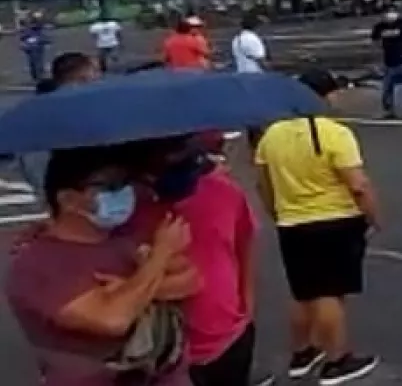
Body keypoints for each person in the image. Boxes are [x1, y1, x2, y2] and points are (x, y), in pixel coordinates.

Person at [7, 146, 197, 385]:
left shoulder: (129, 233)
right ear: (68, 199)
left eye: (126, 183)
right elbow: (113, 319)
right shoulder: (36, 264)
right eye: (108, 187)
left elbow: (190, 279)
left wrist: (128, 289)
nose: (124, 193)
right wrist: (159, 258)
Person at [254, 69, 381, 384]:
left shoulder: (272, 134)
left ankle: (302, 352)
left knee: (303, 292)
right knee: (330, 293)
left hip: (292, 222)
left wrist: (276, 211)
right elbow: (358, 184)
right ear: (324, 96)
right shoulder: (334, 133)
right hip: (334, 220)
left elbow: (263, 183)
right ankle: (338, 359)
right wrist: (373, 216)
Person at [143, 138, 267, 386]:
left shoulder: (223, 191)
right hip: (161, 350)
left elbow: (245, 243)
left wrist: (246, 310)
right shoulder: (132, 210)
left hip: (228, 337)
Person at [21, 52, 101, 197]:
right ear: (82, 79)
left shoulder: (41, 111)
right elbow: (37, 164)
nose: (99, 79)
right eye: (95, 73)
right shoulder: (52, 114)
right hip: (72, 193)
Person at [18, 10, 51, 83]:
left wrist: (46, 41)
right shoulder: (28, 29)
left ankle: (39, 76)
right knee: (33, 63)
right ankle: (36, 76)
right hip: (31, 47)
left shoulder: (39, 28)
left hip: (38, 46)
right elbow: (23, 37)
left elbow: (44, 34)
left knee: (38, 62)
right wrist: (23, 44)